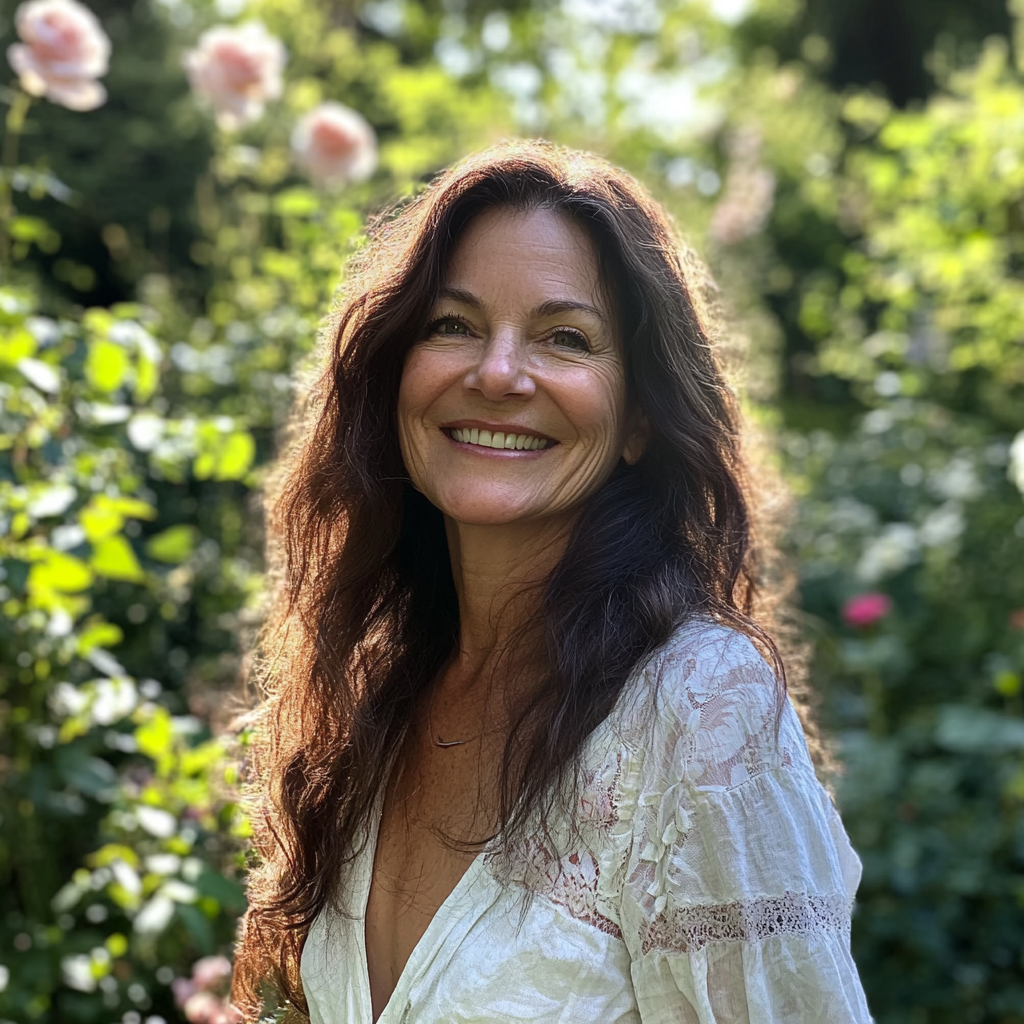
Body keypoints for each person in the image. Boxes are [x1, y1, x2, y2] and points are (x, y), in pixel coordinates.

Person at [232, 140, 873, 1024]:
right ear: (393, 375)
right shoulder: (375, 692)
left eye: (564, 338)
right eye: (451, 325)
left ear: (640, 419)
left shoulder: (697, 709)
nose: (496, 373)